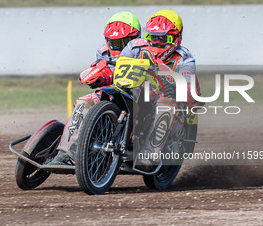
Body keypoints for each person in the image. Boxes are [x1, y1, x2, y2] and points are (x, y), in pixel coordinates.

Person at [46, 11, 141, 166]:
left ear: (134, 38)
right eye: (113, 42)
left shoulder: (144, 51)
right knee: (85, 101)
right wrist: (99, 75)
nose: (117, 47)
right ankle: (65, 152)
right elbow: (101, 70)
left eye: (122, 42)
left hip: (138, 97)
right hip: (112, 96)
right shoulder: (102, 52)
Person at [119, 9, 201, 171]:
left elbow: (189, 90)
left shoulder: (184, 58)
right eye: (152, 37)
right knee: (98, 96)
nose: (156, 43)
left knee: (167, 103)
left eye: (163, 39)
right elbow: (117, 68)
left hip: (170, 112)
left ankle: (150, 153)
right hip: (135, 96)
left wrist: (175, 86)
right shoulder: (134, 47)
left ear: (176, 38)